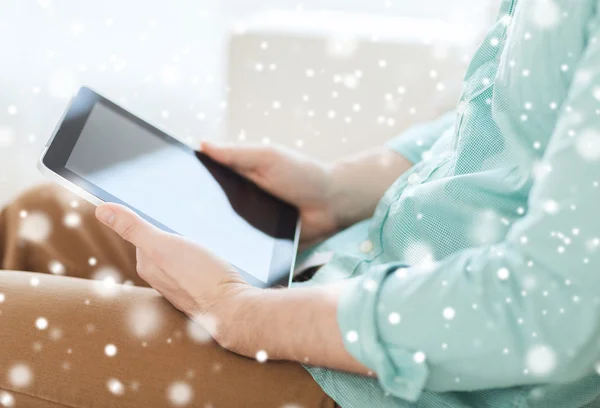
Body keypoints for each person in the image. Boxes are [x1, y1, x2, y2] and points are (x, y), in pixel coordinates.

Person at [2, 0, 600, 407]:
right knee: (40, 221)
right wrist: (340, 190)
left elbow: (548, 310)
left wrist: (236, 311)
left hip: (414, 381)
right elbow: (504, 123)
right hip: (364, 267)